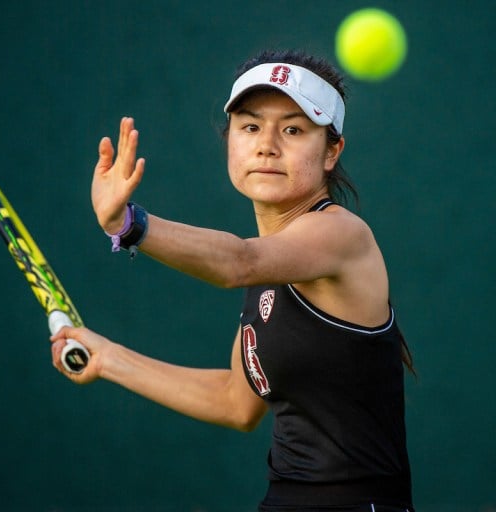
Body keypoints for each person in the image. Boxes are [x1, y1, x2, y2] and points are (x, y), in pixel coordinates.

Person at [50, 49, 415, 512]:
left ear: (332, 151)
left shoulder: (341, 235)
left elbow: (237, 261)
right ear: (230, 141)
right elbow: (235, 404)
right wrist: (107, 359)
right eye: (250, 126)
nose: (267, 145)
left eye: (293, 129)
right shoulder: (268, 271)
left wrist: (128, 224)